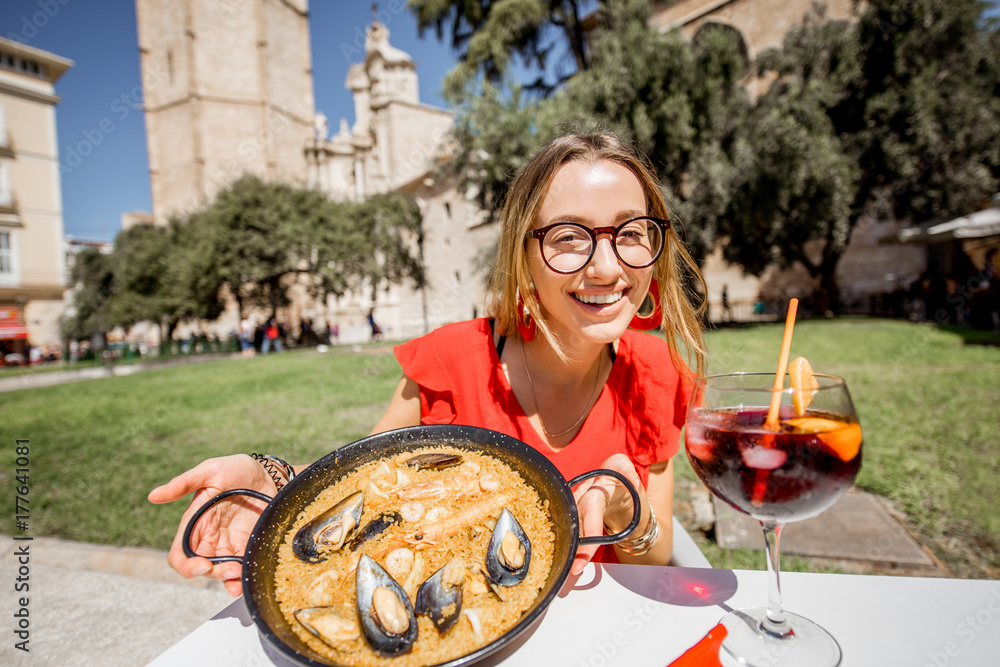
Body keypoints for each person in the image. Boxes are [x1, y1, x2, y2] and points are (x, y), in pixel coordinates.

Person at [148, 131, 707, 597]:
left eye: (631, 233)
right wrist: (271, 479)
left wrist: (620, 508)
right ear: (523, 254)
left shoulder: (657, 372)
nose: (608, 267)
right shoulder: (450, 361)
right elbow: (355, 490)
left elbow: (655, 562)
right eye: (568, 237)